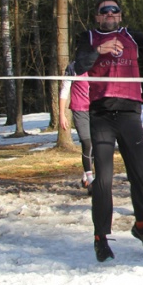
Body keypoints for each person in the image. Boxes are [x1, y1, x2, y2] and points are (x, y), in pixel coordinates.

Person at [73, 0, 143, 262]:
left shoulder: (131, 35)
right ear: (97, 17)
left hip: (130, 112)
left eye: (114, 10)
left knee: (140, 173)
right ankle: (100, 237)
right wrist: (99, 50)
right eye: (104, 11)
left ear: (120, 15)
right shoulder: (88, 38)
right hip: (101, 114)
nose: (110, 14)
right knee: (104, 179)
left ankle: (141, 225)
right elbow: (79, 65)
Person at [58, 61, 94, 192]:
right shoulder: (73, 67)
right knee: (87, 142)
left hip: (96, 109)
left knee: (96, 144)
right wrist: (62, 114)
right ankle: (90, 180)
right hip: (79, 109)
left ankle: (86, 175)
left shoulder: (99, 64)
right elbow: (64, 90)